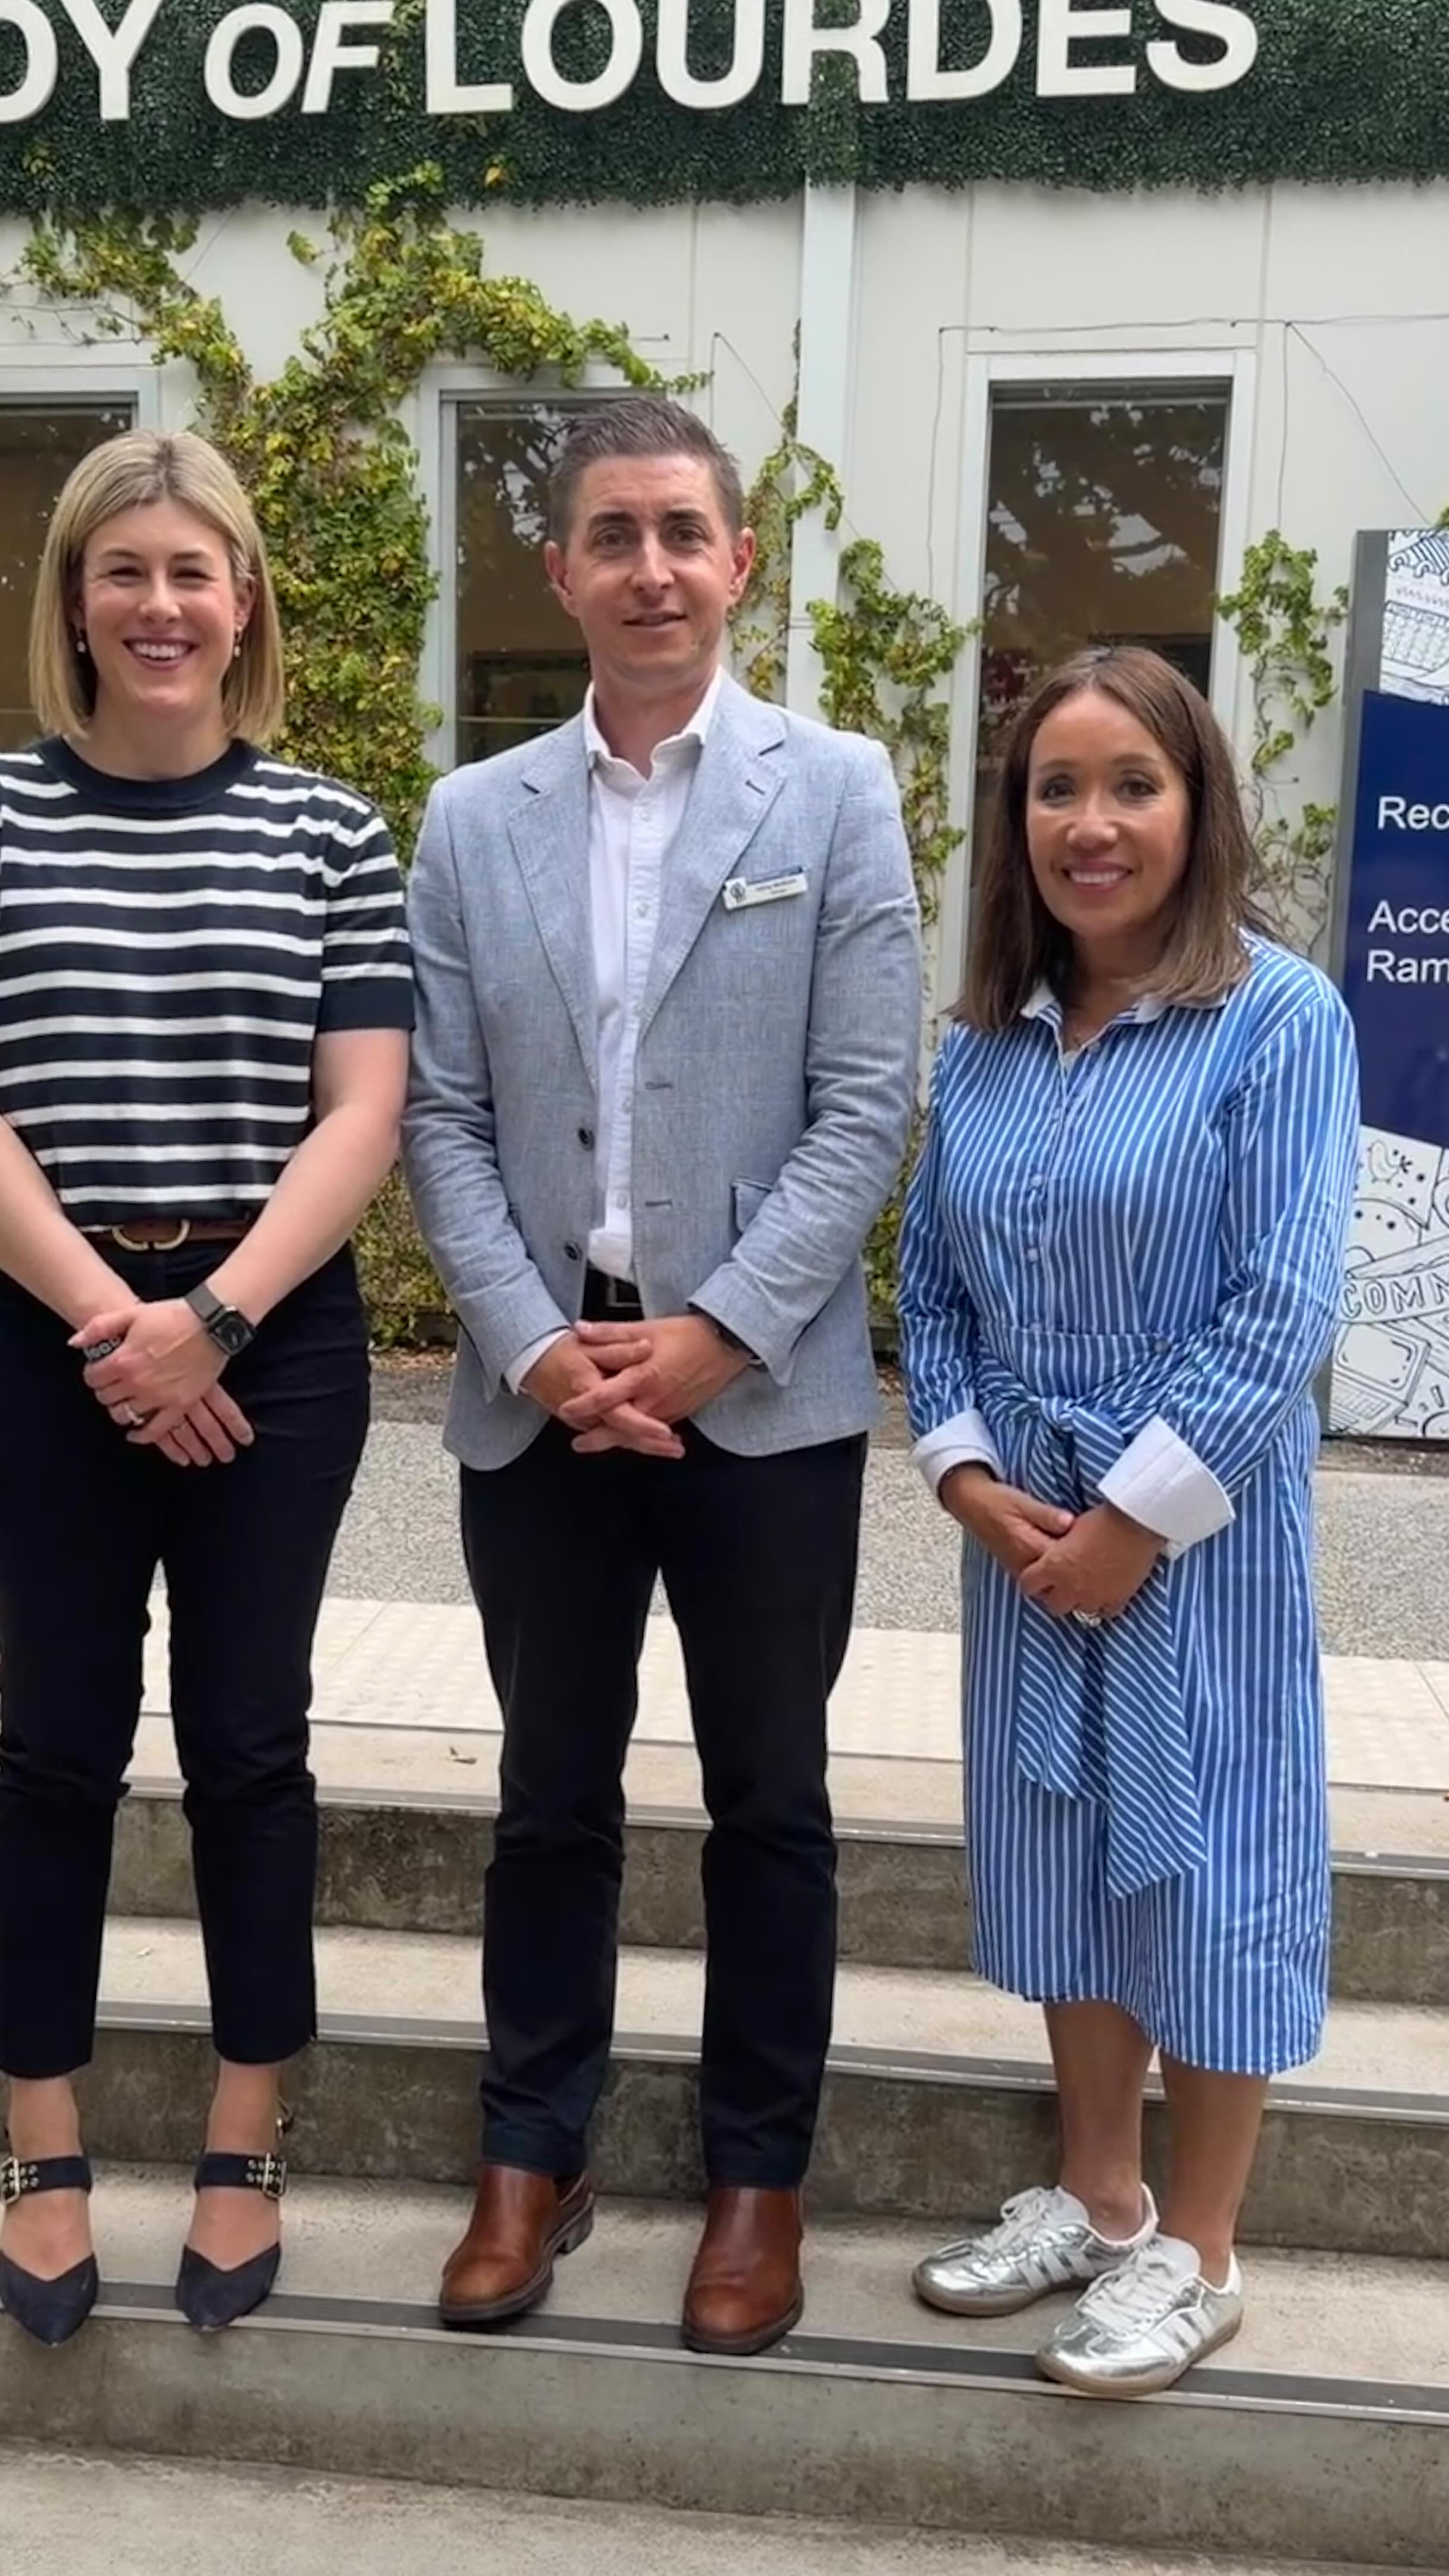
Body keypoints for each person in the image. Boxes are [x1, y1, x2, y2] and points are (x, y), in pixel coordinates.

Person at [403, 395, 921, 2356]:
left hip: (759, 1406)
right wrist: (542, 1350)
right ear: (557, 573)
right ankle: (529, 2156)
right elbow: (438, 1116)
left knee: (770, 1802)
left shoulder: (835, 791)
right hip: (541, 1406)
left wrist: (713, 1338)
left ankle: (752, 2179)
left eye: (680, 532)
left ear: (737, 561)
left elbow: (867, 1103)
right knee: (547, 1798)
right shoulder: (472, 819)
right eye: (609, 534)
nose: (647, 568)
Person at [899, 646, 1358, 2398]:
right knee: (1052, 1851)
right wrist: (961, 1474)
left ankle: (1200, 2248)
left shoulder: (1276, 1018)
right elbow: (930, 1285)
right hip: (1017, 1523)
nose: (1089, 824)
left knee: (1213, 1864)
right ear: (1014, 827)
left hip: (1198, 1538)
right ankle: (1093, 2197)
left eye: (1130, 786)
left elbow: (1281, 1302)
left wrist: (1133, 1522)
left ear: (1198, 806)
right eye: (1052, 790)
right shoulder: (988, 1044)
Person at [0, 430, 412, 2346]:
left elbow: (366, 1113)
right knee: (47, 1744)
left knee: (249, 1743)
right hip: (41, 1321)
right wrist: (112, 1325)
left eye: (197, 570)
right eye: (125, 570)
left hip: (276, 1329)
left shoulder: (331, 832)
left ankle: (249, 2129)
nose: (162, 605)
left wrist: (214, 1320)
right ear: (72, 601)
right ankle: (40, 2131)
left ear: (245, 601)